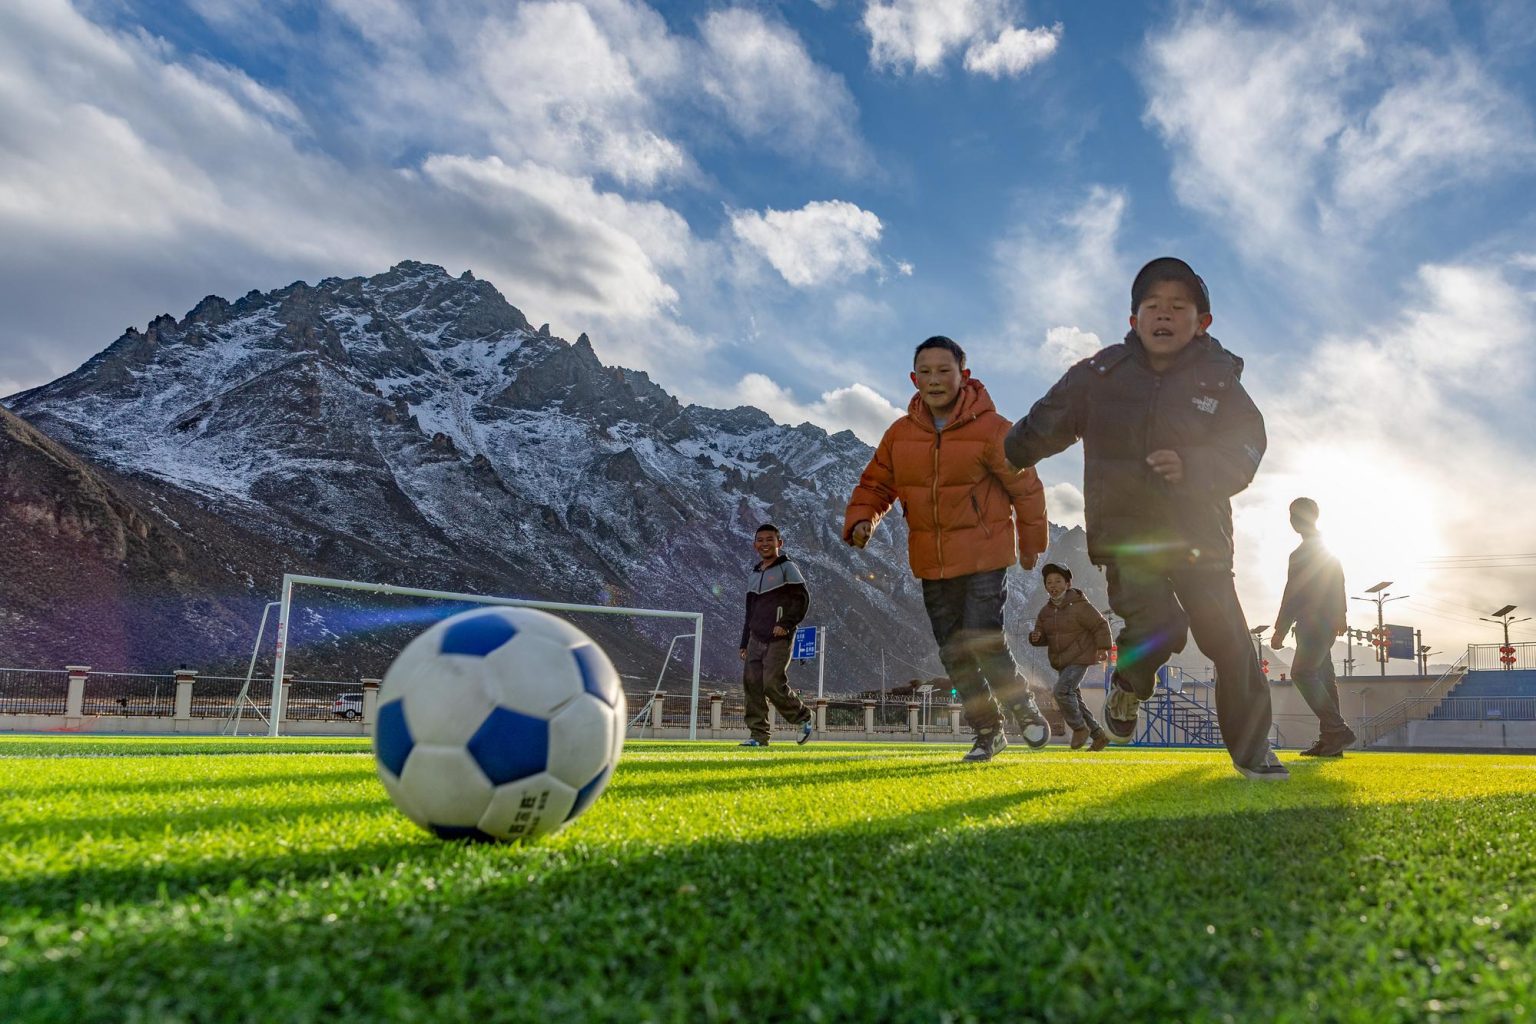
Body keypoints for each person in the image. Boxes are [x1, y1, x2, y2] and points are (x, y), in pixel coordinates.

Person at [1003, 257, 1287, 780]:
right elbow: (1049, 419)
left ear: (1202, 321)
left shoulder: (1220, 380)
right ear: (1133, 319)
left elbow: (1249, 444)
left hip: (1201, 538)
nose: (1164, 315)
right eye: (1152, 306)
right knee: (1158, 623)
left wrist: (1196, 465)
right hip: (1129, 536)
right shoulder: (1100, 375)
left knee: (1229, 641)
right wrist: (1014, 450)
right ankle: (1130, 686)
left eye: (1178, 307)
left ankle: (1252, 754)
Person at [843, 336, 1050, 763]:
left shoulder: (994, 430)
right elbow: (876, 484)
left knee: (982, 636)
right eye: (926, 372)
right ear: (913, 378)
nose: (934, 379)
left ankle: (1021, 705)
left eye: (944, 370)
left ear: (963, 375)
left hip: (985, 554)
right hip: (932, 561)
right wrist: (863, 519)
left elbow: (1026, 487)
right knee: (954, 651)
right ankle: (987, 731)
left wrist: (1032, 544)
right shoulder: (899, 435)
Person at [1270, 498, 1356, 757]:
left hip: (1315, 624)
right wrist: (1340, 614)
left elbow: (1292, 593)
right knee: (1325, 679)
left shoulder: (1302, 554)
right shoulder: (1325, 549)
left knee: (1302, 673)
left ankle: (1337, 730)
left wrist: (1280, 629)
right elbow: (1338, 581)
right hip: (1323, 623)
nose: (1291, 519)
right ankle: (1331, 742)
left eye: (1293, 514)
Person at [738, 523, 815, 747]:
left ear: (779, 543)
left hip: (779, 637)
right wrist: (744, 642)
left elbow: (802, 600)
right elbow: (749, 612)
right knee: (752, 684)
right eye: (760, 540)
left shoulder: (787, 568)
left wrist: (786, 624)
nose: (764, 544)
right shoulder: (754, 573)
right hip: (755, 638)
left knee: (772, 683)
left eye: (769, 539)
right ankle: (758, 736)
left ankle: (803, 718)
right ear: (755, 545)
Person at [1028, 563, 1113, 750]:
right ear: (1045, 587)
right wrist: (1036, 637)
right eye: (1049, 582)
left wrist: (1103, 648)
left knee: (1061, 691)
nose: (1053, 585)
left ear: (1067, 584)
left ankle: (1079, 728)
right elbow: (1041, 635)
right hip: (1062, 661)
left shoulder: (1080, 606)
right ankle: (1098, 735)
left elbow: (1100, 625)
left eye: (1058, 581)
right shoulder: (1045, 612)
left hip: (1080, 657)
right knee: (1074, 698)